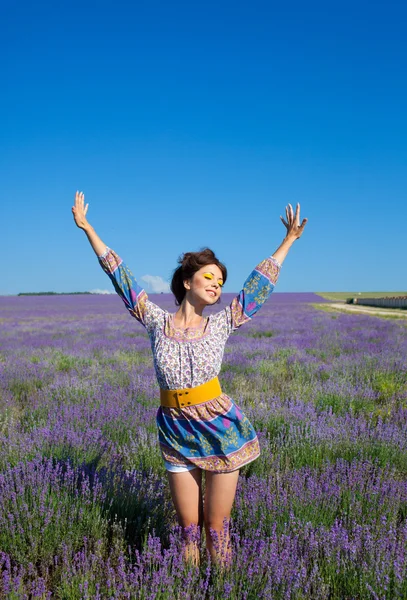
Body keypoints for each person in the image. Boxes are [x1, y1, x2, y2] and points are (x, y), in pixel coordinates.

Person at [71, 191, 307, 569]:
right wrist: (88, 229)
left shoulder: (221, 324)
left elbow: (257, 287)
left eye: (220, 281)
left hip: (219, 427)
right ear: (186, 281)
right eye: (208, 276)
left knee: (217, 529)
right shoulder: (156, 321)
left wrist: (288, 241)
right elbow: (121, 277)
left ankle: (226, 589)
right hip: (174, 428)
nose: (216, 284)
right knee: (188, 530)